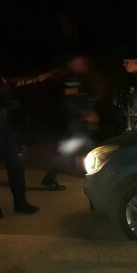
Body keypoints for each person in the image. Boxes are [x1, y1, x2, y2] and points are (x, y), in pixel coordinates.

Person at [41, 54, 99, 191]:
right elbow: (69, 103)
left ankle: (50, 178)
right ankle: (50, 178)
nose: (83, 64)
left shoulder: (82, 79)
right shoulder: (72, 80)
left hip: (80, 124)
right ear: (73, 63)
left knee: (85, 151)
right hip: (76, 124)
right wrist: (85, 113)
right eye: (80, 62)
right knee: (73, 152)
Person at [0, 75, 39, 220]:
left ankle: (20, 203)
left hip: (5, 132)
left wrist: (6, 91)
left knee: (16, 168)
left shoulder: (2, 85)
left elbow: (14, 105)